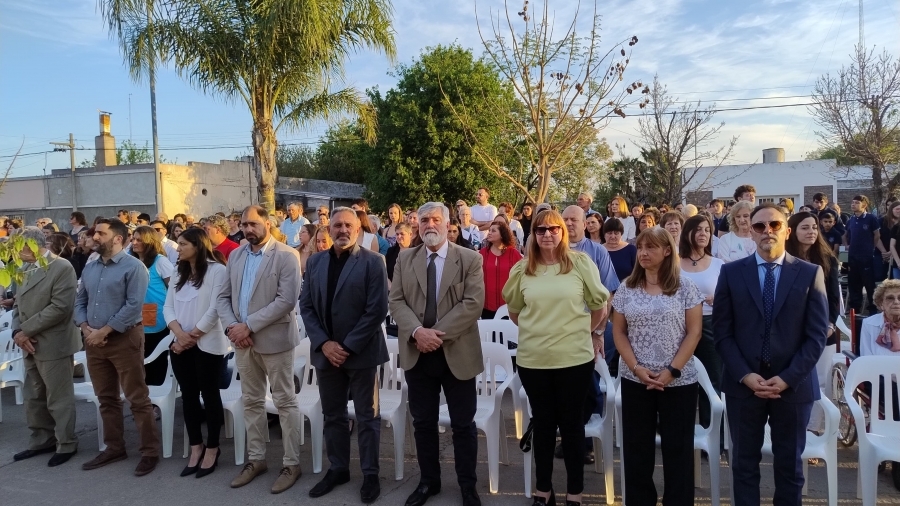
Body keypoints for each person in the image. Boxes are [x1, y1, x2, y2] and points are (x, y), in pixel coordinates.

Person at [713, 203, 828, 506]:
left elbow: (816, 336)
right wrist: (746, 376)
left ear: (787, 231)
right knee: (743, 465)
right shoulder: (730, 273)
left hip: (793, 386)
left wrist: (788, 378)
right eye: (760, 226)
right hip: (743, 386)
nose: (767, 231)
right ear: (750, 231)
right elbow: (722, 334)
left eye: (775, 225)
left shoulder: (810, 273)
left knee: (790, 468)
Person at [503, 209, 609, 506]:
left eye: (553, 228)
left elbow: (599, 306)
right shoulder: (522, 269)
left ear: (563, 231)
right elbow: (514, 311)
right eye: (540, 229)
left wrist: (579, 332)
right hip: (534, 361)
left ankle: (574, 492)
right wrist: (541, 331)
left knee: (573, 427)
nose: (547, 234)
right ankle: (543, 489)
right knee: (544, 426)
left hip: (574, 361)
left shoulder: (580, 263)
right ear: (533, 235)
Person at [388, 202, 485, 506]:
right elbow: (397, 301)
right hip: (418, 353)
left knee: (463, 425)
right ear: (417, 225)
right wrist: (418, 332)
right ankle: (429, 482)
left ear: (446, 224)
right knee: (423, 423)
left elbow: (472, 304)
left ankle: (468, 486)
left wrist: (435, 335)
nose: (430, 225)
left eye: (435, 220)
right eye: (424, 220)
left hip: (457, 353)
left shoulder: (469, 259)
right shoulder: (405, 258)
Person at [299, 208, 389, 503]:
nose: (342, 230)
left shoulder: (374, 261)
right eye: (337, 225)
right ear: (329, 228)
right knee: (333, 415)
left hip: (361, 353)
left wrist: (347, 346)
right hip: (326, 354)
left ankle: (370, 473)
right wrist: (325, 343)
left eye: (348, 225)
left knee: (367, 416)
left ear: (358, 228)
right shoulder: (314, 262)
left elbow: (376, 310)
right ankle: (338, 468)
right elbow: (307, 306)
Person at [612, 226, 703, 506]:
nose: (643, 253)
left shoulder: (685, 287)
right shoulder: (627, 288)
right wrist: (637, 368)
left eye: (650, 247)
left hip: (678, 381)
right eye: (640, 247)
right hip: (636, 379)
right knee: (637, 452)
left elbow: (694, 332)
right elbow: (619, 333)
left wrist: (672, 371)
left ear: (667, 251)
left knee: (678, 451)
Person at [216, 205, 304, 494]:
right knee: (251, 401)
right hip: (242, 342)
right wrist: (233, 327)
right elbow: (223, 296)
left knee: (284, 402)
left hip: (273, 342)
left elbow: (286, 301)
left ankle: (291, 463)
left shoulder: (286, 255)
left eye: (254, 223)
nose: (248, 229)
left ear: (268, 223)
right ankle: (257, 460)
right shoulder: (237, 255)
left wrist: (248, 326)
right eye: (244, 224)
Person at [76, 218, 160, 476]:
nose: (95, 236)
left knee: (137, 397)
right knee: (107, 398)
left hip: (124, 339)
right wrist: (86, 328)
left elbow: (134, 306)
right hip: (94, 341)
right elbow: (80, 301)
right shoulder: (91, 267)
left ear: (117, 239)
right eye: (95, 233)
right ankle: (114, 447)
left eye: (101, 233)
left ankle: (149, 451)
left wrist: (105, 330)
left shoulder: (134, 267)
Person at [10, 227, 81, 467]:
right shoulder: (24, 268)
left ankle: (66, 443)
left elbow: (60, 308)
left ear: (31, 245)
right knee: (34, 396)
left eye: (17, 247)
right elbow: (18, 305)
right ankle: (42, 439)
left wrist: (24, 332)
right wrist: (17, 332)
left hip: (53, 342)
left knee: (58, 398)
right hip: (29, 342)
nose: (15, 252)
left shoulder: (61, 267)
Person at [163, 228, 228, 478]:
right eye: (177, 244)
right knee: (188, 397)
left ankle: (212, 448)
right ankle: (195, 447)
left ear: (198, 246)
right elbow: (168, 307)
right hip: (180, 344)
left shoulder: (217, 271)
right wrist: (179, 334)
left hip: (207, 345)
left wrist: (192, 337)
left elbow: (215, 309)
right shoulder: (179, 272)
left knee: (209, 396)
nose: (177, 248)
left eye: (182, 244)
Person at [785, 212, 841, 433]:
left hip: (822, 330)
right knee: (793, 380)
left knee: (820, 382)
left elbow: (834, 298)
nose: (811, 232)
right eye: (805, 228)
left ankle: (814, 430)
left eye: (814, 228)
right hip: (790, 331)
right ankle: (791, 429)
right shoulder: (784, 259)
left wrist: (830, 324)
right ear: (792, 231)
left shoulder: (827, 260)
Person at [678, 215, 725, 434]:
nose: (703, 234)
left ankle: (713, 433)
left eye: (707, 230)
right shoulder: (674, 263)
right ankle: (681, 432)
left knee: (712, 380)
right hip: (679, 326)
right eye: (698, 230)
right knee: (680, 380)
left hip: (709, 324)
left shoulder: (718, 264)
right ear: (687, 233)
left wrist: (718, 299)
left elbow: (729, 297)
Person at [130, 226, 175, 386]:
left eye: (139, 239)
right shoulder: (130, 260)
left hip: (156, 315)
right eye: (133, 239)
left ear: (149, 242)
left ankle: (155, 398)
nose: (134, 242)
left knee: (154, 357)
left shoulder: (160, 261)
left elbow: (174, 289)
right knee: (137, 358)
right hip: (134, 315)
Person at [562, 206, 620, 292]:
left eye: (573, 220)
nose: (568, 223)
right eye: (565, 220)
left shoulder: (598, 251)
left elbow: (608, 288)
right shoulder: (553, 250)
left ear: (584, 225)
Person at [845, 195, 882, 315]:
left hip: (866, 257)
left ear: (864, 205)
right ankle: (854, 308)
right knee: (854, 283)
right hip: (852, 256)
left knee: (869, 283)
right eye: (852, 202)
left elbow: (877, 235)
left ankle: (873, 308)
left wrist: (871, 247)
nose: (853, 204)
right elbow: (845, 234)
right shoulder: (850, 220)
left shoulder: (871, 218)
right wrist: (846, 245)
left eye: (856, 203)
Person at [480, 220, 523, 319]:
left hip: (508, 307)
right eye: (489, 230)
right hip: (485, 306)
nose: (489, 232)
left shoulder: (513, 254)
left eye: (493, 231)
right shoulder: (482, 253)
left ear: (502, 234)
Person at [860, 279, 900, 356]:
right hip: (876, 367)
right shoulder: (869, 324)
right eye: (890, 298)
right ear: (881, 303)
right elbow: (866, 356)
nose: (896, 302)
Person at [603, 218, 637, 283]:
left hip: (628, 288)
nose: (613, 236)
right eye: (610, 233)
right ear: (604, 234)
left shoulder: (631, 249)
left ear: (621, 234)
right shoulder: (599, 250)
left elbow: (637, 273)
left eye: (616, 233)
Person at [878, 201, 900, 280]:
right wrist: (897, 261)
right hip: (888, 257)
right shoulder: (894, 227)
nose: (899, 211)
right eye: (897, 209)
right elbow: (892, 245)